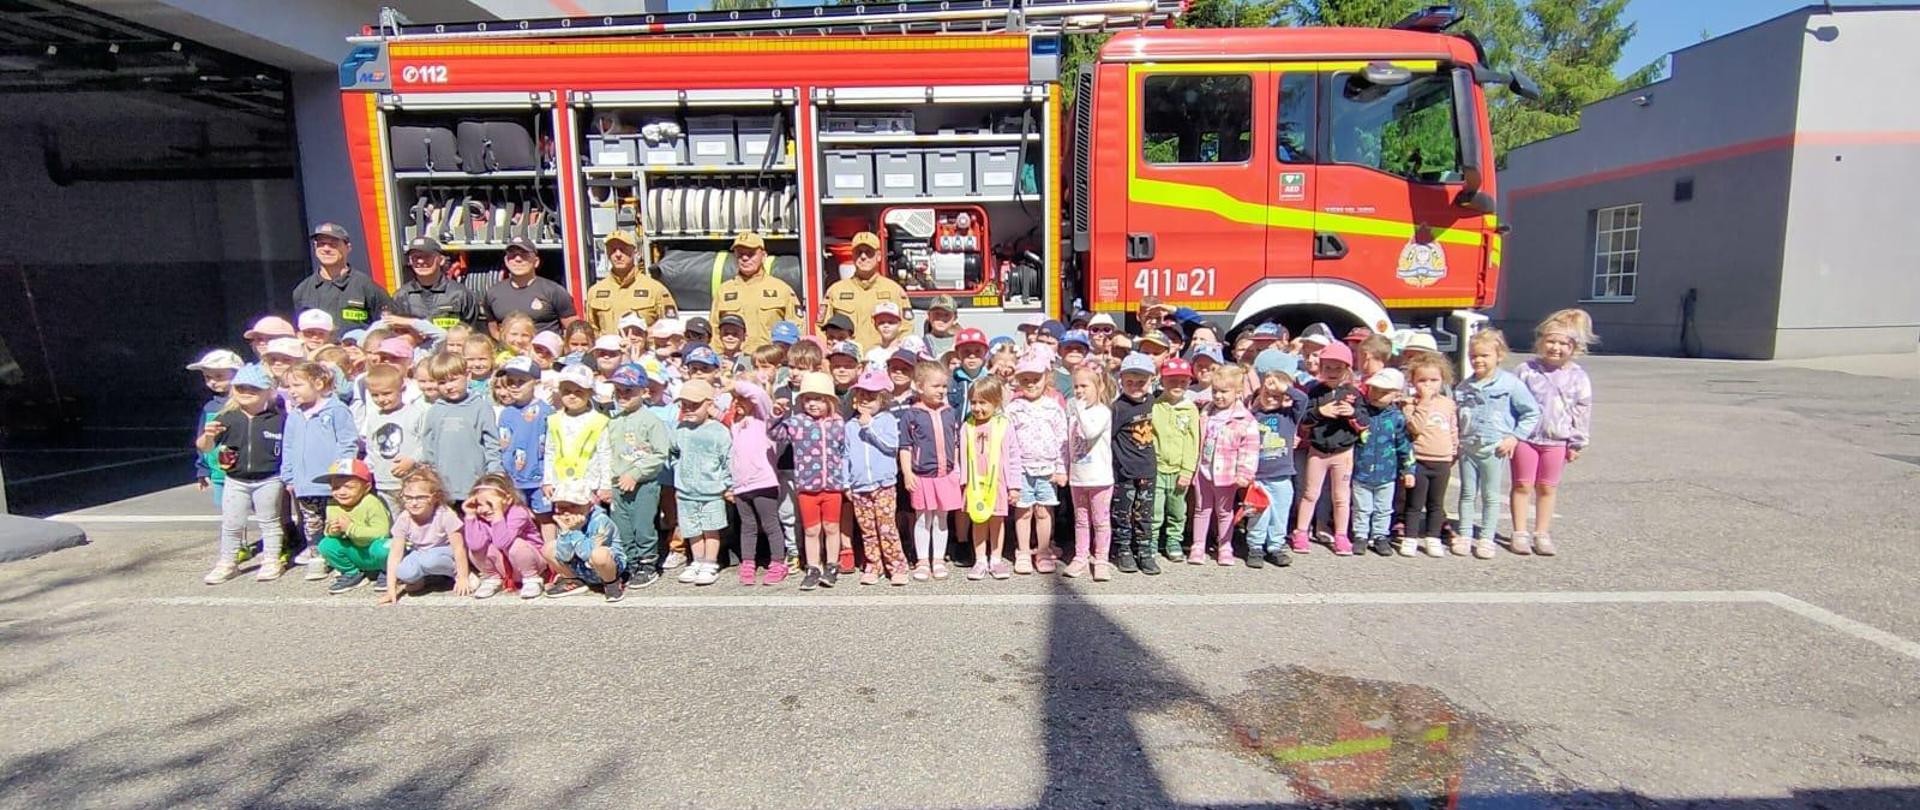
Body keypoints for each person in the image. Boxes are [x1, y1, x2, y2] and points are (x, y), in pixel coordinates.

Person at [1511, 309, 1596, 557]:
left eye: (1563, 343)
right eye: (1551, 341)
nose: (1555, 348)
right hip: (1525, 439)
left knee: (1547, 487)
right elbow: (1510, 403)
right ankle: (1519, 533)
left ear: (1574, 347)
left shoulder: (1578, 376)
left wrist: (1577, 442)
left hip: (1557, 441)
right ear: (1540, 342)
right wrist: (1509, 434)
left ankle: (1542, 533)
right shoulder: (1525, 370)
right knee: (1522, 484)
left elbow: (1582, 409)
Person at [1454, 329, 1540, 560]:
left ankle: (1486, 538)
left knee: (1490, 495)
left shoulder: (1510, 384)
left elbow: (1531, 413)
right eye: (1473, 356)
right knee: (1467, 493)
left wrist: (1514, 437)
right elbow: (1456, 416)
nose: (1478, 360)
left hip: (1494, 448)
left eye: (1484, 355)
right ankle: (1464, 534)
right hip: (1468, 447)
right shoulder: (1464, 387)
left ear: (1499, 355)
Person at [197, 364, 286, 584]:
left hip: (269, 478)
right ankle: (227, 562)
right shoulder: (226, 417)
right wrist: (208, 436)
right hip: (235, 479)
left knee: (270, 521)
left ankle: (271, 560)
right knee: (232, 523)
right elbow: (205, 447)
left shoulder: (279, 418)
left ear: (268, 391)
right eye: (241, 387)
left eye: (254, 388)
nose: (246, 392)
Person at [280, 361, 358, 581]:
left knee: (337, 521)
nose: (292, 391)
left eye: (297, 385)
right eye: (289, 386)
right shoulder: (295, 415)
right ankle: (318, 555)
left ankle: (342, 557)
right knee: (312, 523)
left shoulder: (336, 410)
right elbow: (289, 446)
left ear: (318, 383)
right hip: (305, 483)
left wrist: (342, 472)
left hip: (332, 482)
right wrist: (289, 475)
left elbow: (347, 441)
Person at [773, 372, 848, 591]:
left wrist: (846, 481)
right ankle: (813, 567)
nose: (812, 404)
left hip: (833, 485)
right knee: (811, 530)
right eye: (807, 399)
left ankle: (832, 565)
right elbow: (775, 434)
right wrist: (776, 415)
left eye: (818, 399)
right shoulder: (797, 422)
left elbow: (845, 452)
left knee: (832, 527)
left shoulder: (838, 423)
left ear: (830, 401)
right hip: (807, 486)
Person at [1292, 341, 1366, 556]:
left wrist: (1352, 413)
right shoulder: (1315, 391)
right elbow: (1304, 420)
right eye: (1328, 367)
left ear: (1347, 369)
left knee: (1341, 496)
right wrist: (1320, 412)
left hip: (1343, 452)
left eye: (1338, 368)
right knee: (1310, 493)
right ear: (1321, 368)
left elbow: (1365, 422)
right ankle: (1301, 532)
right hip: (1318, 451)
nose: (1332, 372)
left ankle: (1341, 535)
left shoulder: (1354, 394)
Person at [1005, 353, 1067, 575]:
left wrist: (1061, 469)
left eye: (1036, 379)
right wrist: (1009, 473)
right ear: (1018, 381)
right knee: (1023, 512)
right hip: (1021, 469)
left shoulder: (1053, 408)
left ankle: (1042, 550)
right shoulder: (1014, 408)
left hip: (1047, 470)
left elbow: (1062, 440)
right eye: (1025, 380)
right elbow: (1008, 442)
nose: (1031, 384)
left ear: (1046, 378)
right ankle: (1022, 551)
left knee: (1043, 511)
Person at [1190, 365, 1259, 566]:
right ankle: (1198, 545)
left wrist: (1245, 473)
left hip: (1226, 474)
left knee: (1224, 511)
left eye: (1224, 391)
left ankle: (1225, 546)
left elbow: (1250, 449)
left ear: (1237, 392)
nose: (1218, 396)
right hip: (1203, 470)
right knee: (1202, 509)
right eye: (1215, 391)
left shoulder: (1244, 419)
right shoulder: (1206, 412)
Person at [899, 360, 961, 581]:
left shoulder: (949, 412)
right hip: (922, 477)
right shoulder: (912, 415)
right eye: (936, 386)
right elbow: (905, 447)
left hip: (946, 476)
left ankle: (939, 559)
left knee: (941, 518)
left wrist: (957, 469)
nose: (941, 391)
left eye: (944, 386)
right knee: (923, 518)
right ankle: (923, 560)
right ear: (919, 386)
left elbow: (955, 442)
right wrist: (908, 473)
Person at [418, 351, 503, 506]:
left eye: (453, 380)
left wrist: (494, 474)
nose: (449, 387)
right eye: (442, 382)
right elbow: (428, 447)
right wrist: (431, 476)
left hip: (475, 485)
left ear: (468, 376)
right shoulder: (435, 411)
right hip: (444, 488)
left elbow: (491, 445)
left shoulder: (481, 407)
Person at [846, 369, 907, 585]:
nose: (865, 400)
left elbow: (892, 446)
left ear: (883, 399)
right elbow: (845, 455)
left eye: (871, 397)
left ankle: (897, 565)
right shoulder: (850, 426)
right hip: (860, 486)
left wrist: (870, 426)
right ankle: (873, 565)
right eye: (861, 395)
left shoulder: (887, 420)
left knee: (886, 527)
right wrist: (846, 483)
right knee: (868, 530)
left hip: (884, 485)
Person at [959, 375, 1022, 581]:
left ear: (996, 402)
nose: (977, 408)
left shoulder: (1004, 425)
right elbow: (961, 456)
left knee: (996, 520)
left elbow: (1013, 456)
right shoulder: (967, 426)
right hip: (975, 485)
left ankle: (996, 558)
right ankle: (980, 560)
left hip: (998, 484)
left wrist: (1014, 486)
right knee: (978, 520)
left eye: (983, 402)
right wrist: (963, 482)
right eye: (974, 402)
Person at [670, 379, 731, 586]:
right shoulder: (680, 429)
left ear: (709, 404)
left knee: (711, 528)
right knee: (692, 529)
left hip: (711, 491)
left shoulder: (719, 431)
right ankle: (696, 560)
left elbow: (727, 460)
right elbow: (673, 452)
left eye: (694, 405)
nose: (688, 409)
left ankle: (710, 562)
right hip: (686, 491)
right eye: (684, 405)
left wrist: (727, 484)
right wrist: (678, 471)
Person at [380, 468, 469, 604]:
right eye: (408, 497)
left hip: (445, 552)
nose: (414, 503)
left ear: (435, 497)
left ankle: (457, 574)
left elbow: (459, 548)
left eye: (421, 497)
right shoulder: (404, 518)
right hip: (421, 553)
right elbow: (395, 554)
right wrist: (390, 589)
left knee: (430, 560)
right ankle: (422, 580)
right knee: (403, 571)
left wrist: (463, 577)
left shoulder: (445, 514)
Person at [1349, 368, 1412, 558]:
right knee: (1361, 507)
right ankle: (1360, 535)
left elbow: (1404, 445)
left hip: (1387, 473)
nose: (1377, 395)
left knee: (1383, 508)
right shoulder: (1361, 414)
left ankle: (1380, 535)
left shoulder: (1396, 418)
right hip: (1361, 470)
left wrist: (1408, 469)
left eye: (1384, 392)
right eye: (1374, 389)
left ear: (1396, 395)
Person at [1246, 370, 1307, 568]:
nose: (1271, 398)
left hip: (1282, 476)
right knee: (1258, 514)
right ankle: (1255, 547)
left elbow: (1303, 400)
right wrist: (1255, 404)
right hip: (1258, 477)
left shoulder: (1288, 416)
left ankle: (1275, 546)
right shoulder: (1253, 416)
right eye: (1267, 394)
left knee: (1279, 514)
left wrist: (1284, 388)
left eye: (1277, 395)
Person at [1400, 355, 1459, 558]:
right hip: (1419, 459)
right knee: (1414, 503)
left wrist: (1454, 450)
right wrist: (1424, 402)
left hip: (1442, 460)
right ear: (1413, 382)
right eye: (1422, 380)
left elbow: (1452, 429)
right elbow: (1415, 428)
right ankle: (1410, 537)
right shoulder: (1410, 404)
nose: (1428, 385)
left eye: (1434, 380)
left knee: (1436, 503)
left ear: (1443, 380)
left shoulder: (1448, 404)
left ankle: (1433, 537)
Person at [728, 380, 786, 586]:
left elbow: (757, 393)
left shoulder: (764, 419)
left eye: (742, 398)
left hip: (763, 482)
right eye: (735, 399)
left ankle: (778, 561)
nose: (737, 402)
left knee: (770, 524)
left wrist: (732, 384)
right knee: (748, 526)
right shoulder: (735, 424)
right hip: (741, 486)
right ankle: (748, 562)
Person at [1108, 353, 1159, 575]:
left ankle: (1145, 551)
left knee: (1144, 513)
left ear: (1151, 380)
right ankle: (1123, 550)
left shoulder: (1153, 402)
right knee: (1122, 512)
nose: (1136, 387)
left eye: (1141, 382)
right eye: (1130, 382)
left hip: (1148, 469)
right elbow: (1108, 437)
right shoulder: (1118, 408)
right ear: (1121, 380)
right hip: (1124, 471)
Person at [820, 231, 913, 351]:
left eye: (869, 252)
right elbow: (820, 329)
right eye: (858, 252)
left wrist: (893, 353)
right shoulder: (836, 291)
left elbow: (906, 329)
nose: (863, 257)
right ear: (853, 256)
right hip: (847, 359)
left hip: (881, 359)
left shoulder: (894, 291)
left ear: (879, 256)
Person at [292, 222, 391, 332]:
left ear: (348, 248)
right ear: (315, 247)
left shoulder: (366, 287)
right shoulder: (302, 291)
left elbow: (387, 327)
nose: (326, 248)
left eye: (333, 244)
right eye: (321, 243)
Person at [313, 459, 394, 595]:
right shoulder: (333, 504)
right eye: (335, 487)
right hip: (356, 552)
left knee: (385, 547)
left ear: (366, 488)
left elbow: (382, 532)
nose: (341, 492)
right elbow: (329, 531)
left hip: (373, 551)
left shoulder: (371, 502)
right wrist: (333, 531)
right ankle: (352, 572)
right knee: (326, 544)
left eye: (349, 487)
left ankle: (388, 571)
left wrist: (350, 528)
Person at [461, 474, 548, 599]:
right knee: (477, 549)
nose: (484, 509)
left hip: (531, 563)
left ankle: (532, 580)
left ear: (508, 499)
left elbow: (502, 543)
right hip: (506, 566)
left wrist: (498, 513)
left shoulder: (518, 512)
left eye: (490, 503)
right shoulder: (480, 518)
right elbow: (475, 545)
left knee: (516, 544)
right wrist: (470, 516)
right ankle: (492, 578)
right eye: (479, 504)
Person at [1065, 365, 1116, 580]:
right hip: (1078, 477)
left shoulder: (1102, 412)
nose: (1079, 391)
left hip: (1099, 478)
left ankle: (1101, 558)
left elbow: (1089, 433)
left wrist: (1079, 411)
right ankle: (1081, 556)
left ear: (1099, 386)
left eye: (1084, 386)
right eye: (1076, 386)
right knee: (1081, 520)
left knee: (1100, 521)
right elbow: (1069, 444)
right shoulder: (1075, 415)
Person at [711, 231, 799, 352]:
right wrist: (720, 357)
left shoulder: (782, 290)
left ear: (764, 256)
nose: (745, 258)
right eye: (740, 254)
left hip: (770, 358)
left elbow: (796, 328)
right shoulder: (724, 291)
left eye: (751, 254)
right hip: (736, 359)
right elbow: (714, 331)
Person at [1149, 358, 1200, 562]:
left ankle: (1174, 539)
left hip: (1179, 470)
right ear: (1162, 381)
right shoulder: (1154, 405)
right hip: (1157, 468)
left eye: (1182, 381)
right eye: (1172, 380)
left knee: (1177, 509)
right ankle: (1151, 539)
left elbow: (1193, 442)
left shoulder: (1190, 409)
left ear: (1189, 382)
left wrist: (1187, 470)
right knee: (1154, 508)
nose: (1177, 385)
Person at [546, 481, 628, 602]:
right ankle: (574, 581)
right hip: (582, 567)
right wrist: (565, 532)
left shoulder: (601, 521)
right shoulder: (567, 522)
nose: (568, 512)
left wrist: (575, 531)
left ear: (590, 506)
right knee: (549, 548)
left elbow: (588, 555)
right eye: (562, 507)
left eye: (574, 506)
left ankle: (612, 584)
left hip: (607, 567)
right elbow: (564, 556)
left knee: (599, 554)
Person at [586, 231, 678, 334]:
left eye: (623, 249)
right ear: (607, 253)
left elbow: (671, 329)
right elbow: (592, 332)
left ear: (635, 252)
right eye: (613, 249)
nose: (618, 254)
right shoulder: (595, 292)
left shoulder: (655, 290)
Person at [483, 237, 577, 336]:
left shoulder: (554, 291)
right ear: (506, 261)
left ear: (536, 262)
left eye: (524, 255)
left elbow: (573, 329)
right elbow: (493, 328)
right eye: (512, 255)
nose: (518, 259)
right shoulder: (493, 293)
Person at [358, 363, 426, 496]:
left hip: (411, 481)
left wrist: (413, 460)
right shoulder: (374, 418)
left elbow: (427, 444)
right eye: (375, 395)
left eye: (386, 394)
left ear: (402, 389)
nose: (381, 399)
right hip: (383, 482)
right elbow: (372, 449)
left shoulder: (415, 413)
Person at [187, 349, 244, 508]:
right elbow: (203, 441)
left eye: (219, 376)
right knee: (227, 512)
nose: (212, 382)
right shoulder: (210, 407)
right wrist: (203, 469)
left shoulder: (248, 405)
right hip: (219, 473)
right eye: (207, 377)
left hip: (245, 473)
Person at [392, 236, 481, 330]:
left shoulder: (461, 294)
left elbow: (473, 332)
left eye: (427, 256)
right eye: (415, 257)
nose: (420, 261)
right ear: (409, 261)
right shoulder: (401, 296)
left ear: (441, 260)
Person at [948, 328, 991, 422]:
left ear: (985, 353)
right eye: (966, 352)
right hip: (959, 427)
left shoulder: (991, 381)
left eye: (978, 351)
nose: (972, 356)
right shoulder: (951, 381)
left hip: (985, 427)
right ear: (957, 354)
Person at [922, 295, 959, 360]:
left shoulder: (959, 343)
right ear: (929, 315)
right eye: (937, 314)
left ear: (955, 317)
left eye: (946, 314)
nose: (941, 318)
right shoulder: (921, 344)